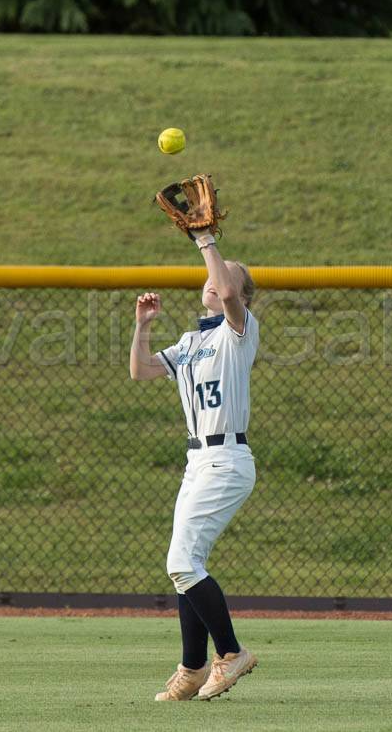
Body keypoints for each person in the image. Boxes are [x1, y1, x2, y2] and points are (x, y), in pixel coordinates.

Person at [129, 228, 260, 701]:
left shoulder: (237, 331)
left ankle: (230, 654)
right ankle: (192, 668)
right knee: (187, 563)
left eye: (230, 277)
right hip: (197, 460)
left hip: (227, 458)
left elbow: (225, 289)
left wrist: (205, 238)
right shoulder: (190, 341)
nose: (219, 280)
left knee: (182, 561)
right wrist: (142, 326)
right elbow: (140, 371)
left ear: (240, 297)